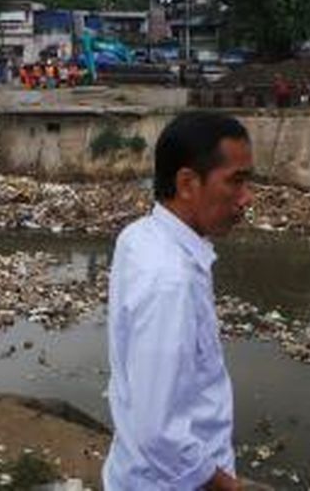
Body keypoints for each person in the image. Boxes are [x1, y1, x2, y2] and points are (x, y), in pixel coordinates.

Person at [104, 112, 254, 490]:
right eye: (235, 182)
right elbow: (158, 433)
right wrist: (226, 485)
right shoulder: (170, 281)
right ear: (187, 183)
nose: (246, 199)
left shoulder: (140, 235)